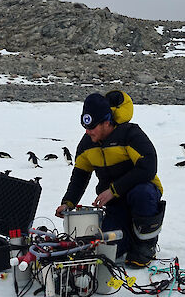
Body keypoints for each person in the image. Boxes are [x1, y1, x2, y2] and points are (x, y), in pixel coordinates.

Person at [55, 91, 165, 268]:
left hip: (142, 192)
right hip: (115, 203)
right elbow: (80, 176)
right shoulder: (87, 144)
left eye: (92, 127)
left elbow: (148, 167)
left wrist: (115, 189)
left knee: (141, 193)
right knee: (109, 249)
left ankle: (146, 245)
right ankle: (128, 239)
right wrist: (68, 202)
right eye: (85, 127)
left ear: (107, 122)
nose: (87, 131)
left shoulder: (130, 134)